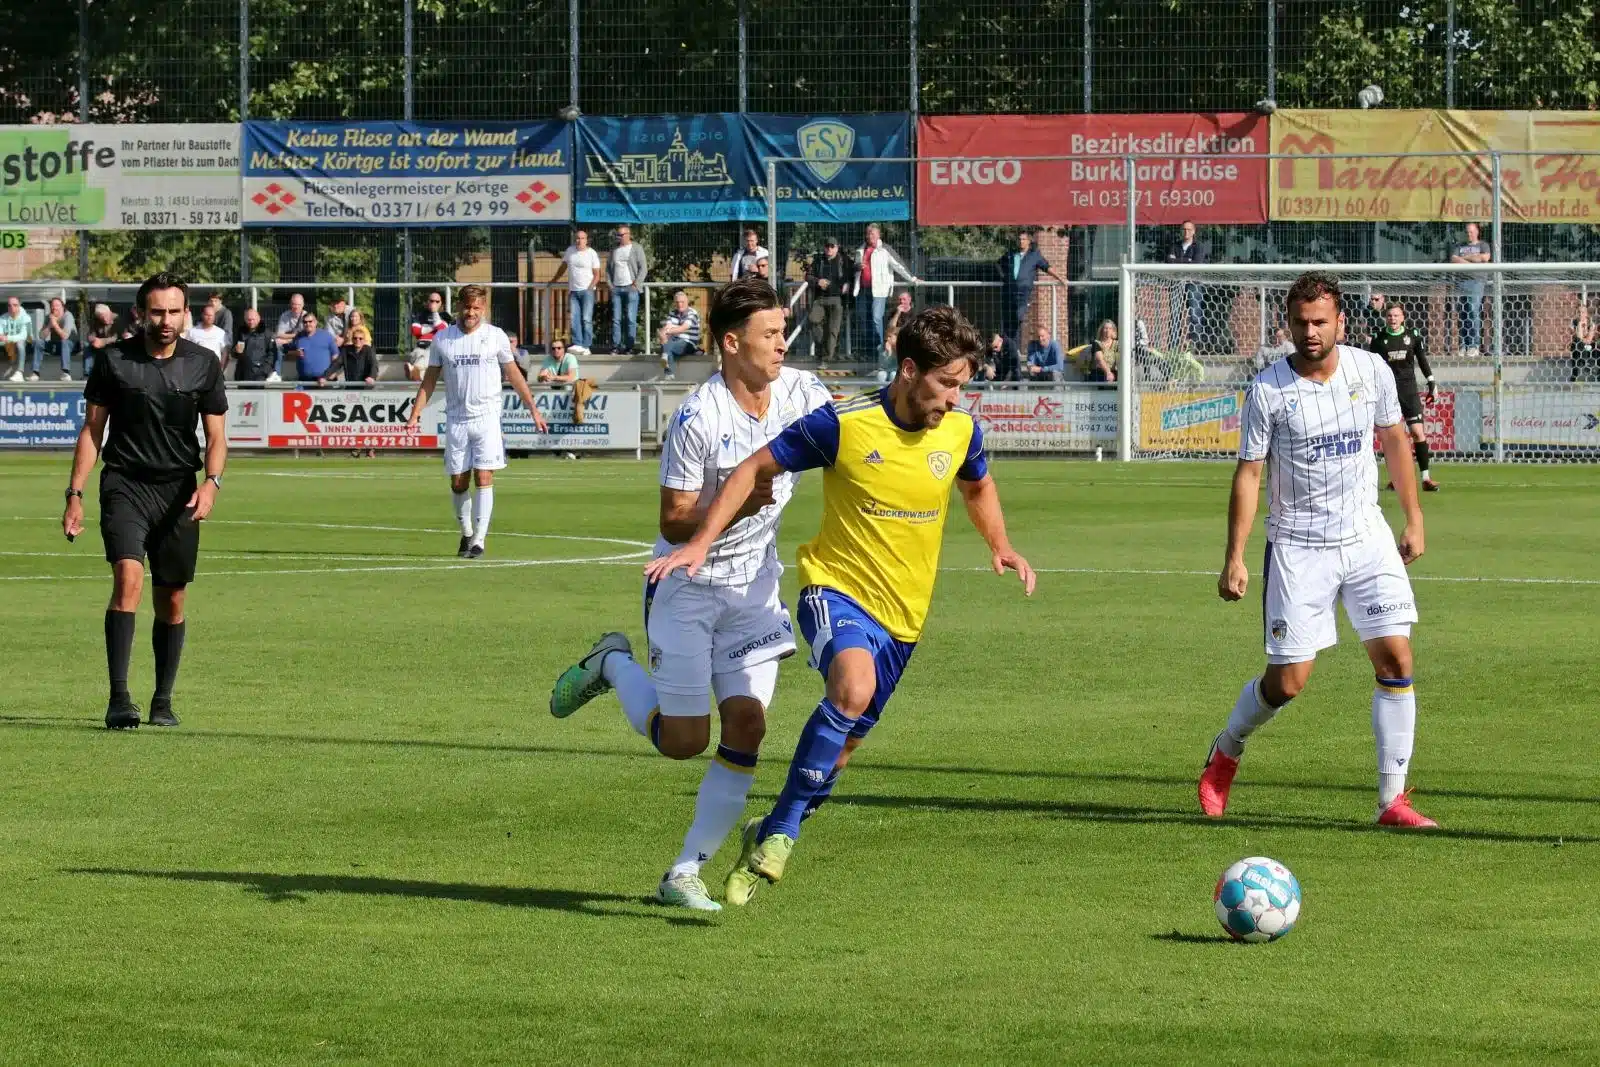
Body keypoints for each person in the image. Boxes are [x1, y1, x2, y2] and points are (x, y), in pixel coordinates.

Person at [647, 305, 1036, 907]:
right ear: (909, 370)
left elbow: (976, 481)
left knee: (843, 748)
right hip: (837, 591)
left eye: (964, 384)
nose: (957, 399)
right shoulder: (842, 425)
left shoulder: (959, 431)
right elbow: (755, 466)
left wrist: (1001, 544)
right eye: (948, 383)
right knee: (849, 691)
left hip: (905, 617)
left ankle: (773, 825)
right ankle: (780, 834)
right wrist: (699, 541)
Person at [547, 277, 833, 912]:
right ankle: (612, 664)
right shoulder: (698, 416)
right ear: (731, 344)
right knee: (684, 741)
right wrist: (732, 503)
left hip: (755, 590)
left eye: (783, 331)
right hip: (687, 588)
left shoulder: (802, 392)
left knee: (748, 725)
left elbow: (853, 429)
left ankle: (684, 872)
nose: (782, 344)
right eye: (769, 334)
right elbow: (675, 519)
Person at [1200, 270, 1436, 831]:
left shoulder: (1370, 369)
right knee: (1288, 682)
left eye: (1320, 321)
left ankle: (1392, 801)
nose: (1310, 332)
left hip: (1365, 536)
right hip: (1299, 546)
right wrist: (1235, 556)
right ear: (1288, 323)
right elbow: (1249, 474)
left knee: (1396, 659)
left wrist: (1414, 518)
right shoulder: (1268, 390)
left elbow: (1395, 440)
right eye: (1301, 322)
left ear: (1340, 322)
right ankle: (1226, 751)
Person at [62, 271, 228, 730]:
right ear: (140, 313)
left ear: (186, 313)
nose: (166, 319)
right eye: (157, 311)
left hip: (179, 491)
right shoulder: (114, 360)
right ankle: (119, 698)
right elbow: (92, 431)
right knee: (128, 578)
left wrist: (211, 483)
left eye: (174, 311)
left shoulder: (203, 363)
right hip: (125, 485)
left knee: (172, 598)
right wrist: (75, 494)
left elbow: (216, 435)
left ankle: (162, 700)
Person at [404, 285, 548, 559]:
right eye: (467, 307)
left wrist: (533, 409)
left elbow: (514, 375)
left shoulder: (495, 337)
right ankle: (467, 532)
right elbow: (430, 380)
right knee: (458, 482)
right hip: (456, 420)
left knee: (484, 475)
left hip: (487, 418)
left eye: (476, 308)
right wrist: (415, 414)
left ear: (484, 309)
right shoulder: (443, 339)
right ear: (459, 306)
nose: (471, 312)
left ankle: (480, 540)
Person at [1369, 302, 1440, 492]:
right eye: (1390, 316)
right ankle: (1396, 478)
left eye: (1396, 316)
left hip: (1409, 390)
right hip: (1388, 392)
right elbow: (1372, 368)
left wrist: (1431, 381)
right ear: (1386, 318)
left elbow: (1422, 359)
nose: (1393, 319)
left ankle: (1426, 478)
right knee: (1395, 438)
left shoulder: (1412, 336)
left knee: (1417, 432)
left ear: (1403, 318)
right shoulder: (1378, 339)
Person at [850, 224, 919, 359]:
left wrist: (913, 278)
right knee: (863, 319)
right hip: (863, 289)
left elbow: (898, 265)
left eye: (873, 234)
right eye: (868, 234)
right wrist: (857, 266)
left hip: (879, 290)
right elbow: (855, 267)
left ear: (879, 235)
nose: (870, 237)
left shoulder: (885, 250)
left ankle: (881, 350)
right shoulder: (860, 249)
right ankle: (868, 351)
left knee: (876, 318)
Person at [996, 230, 1063, 344]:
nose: (1021, 242)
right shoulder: (1011, 254)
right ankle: (1010, 348)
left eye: (1023, 239)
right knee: (1008, 321)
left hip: (1022, 293)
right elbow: (998, 264)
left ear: (1029, 241)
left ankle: (1012, 345)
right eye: (1019, 239)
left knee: (1018, 317)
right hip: (1009, 291)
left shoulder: (1034, 255)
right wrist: (1003, 277)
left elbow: (1046, 267)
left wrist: (1060, 278)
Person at [551, 230, 601, 355]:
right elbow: (563, 267)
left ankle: (586, 346)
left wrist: (590, 288)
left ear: (586, 240)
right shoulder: (570, 251)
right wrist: (554, 280)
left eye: (582, 238)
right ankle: (578, 343)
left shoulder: (592, 253)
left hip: (587, 291)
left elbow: (597, 275)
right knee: (574, 319)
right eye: (577, 238)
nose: (580, 240)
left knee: (586, 319)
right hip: (573, 291)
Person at [805, 237, 853, 363]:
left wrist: (848, 283)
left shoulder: (844, 260)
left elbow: (852, 274)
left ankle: (826, 358)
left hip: (837, 299)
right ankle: (822, 350)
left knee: (833, 330)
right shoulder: (818, 261)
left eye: (832, 247)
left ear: (837, 248)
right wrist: (818, 281)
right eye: (827, 246)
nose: (829, 249)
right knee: (813, 320)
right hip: (820, 298)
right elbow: (808, 276)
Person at [1449, 222, 1492, 357]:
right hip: (1460, 282)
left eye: (1472, 231)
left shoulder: (1483, 245)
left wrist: (1464, 259)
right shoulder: (1459, 246)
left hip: (1476, 281)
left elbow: (1485, 258)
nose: (1469, 234)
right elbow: (1454, 259)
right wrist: (1472, 262)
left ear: (1477, 232)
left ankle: (1474, 346)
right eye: (1467, 232)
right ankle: (1464, 345)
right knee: (1462, 313)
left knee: (1473, 311)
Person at [1165, 221, 1209, 352]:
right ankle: (1173, 347)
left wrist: (1178, 261)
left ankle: (1194, 346)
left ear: (1194, 231)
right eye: (1184, 229)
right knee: (1174, 315)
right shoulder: (1174, 246)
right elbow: (1169, 261)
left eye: (1189, 229)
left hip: (1193, 283)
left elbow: (1197, 263)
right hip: (1176, 282)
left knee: (1195, 313)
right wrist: (1187, 261)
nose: (1186, 232)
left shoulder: (1198, 247)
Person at [608, 225, 648, 354]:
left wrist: (636, 284)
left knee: (630, 318)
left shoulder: (636, 248)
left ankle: (629, 347)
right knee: (616, 319)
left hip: (631, 287)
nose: (619, 237)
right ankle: (616, 346)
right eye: (618, 235)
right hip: (617, 288)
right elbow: (608, 269)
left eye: (621, 235)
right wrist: (610, 285)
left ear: (628, 234)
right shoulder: (614, 250)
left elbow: (643, 268)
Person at [657, 289, 701, 381]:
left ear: (687, 302)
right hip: (674, 341)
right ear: (674, 303)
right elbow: (666, 328)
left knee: (666, 346)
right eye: (677, 302)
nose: (680, 304)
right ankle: (669, 374)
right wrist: (666, 332)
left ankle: (666, 361)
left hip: (688, 342)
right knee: (668, 345)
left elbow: (683, 328)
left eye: (682, 302)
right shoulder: (673, 313)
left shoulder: (692, 313)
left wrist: (668, 331)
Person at [407, 291, 452, 381]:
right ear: (428, 302)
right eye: (431, 301)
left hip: (435, 346)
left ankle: (415, 370)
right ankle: (417, 373)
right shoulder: (421, 315)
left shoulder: (445, 316)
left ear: (441, 303)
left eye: (436, 301)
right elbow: (415, 330)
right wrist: (433, 328)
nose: (433, 303)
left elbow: (443, 329)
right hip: (420, 347)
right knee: (421, 354)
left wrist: (435, 313)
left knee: (430, 354)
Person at [228, 307, 273, 383]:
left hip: (260, 374)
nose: (251, 322)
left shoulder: (266, 333)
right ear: (245, 319)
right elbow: (233, 354)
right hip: (242, 373)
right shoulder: (240, 332)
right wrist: (236, 351)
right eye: (249, 320)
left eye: (253, 319)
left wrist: (264, 370)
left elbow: (272, 354)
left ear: (258, 319)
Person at [38, 297, 78, 381]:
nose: (54, 308)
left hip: (71, 345)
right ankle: (35, 373)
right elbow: (41, 336)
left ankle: (65, 372)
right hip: (56, 345)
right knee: (38, 343)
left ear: (62, 307)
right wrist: (49, 325)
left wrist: (55, 325)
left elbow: (65, 336)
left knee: (64, 342)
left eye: (57, 305)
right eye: (52, 306)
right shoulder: (49, 317)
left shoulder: (68, 316)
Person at [294, 311, 339, 385]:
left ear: (315, 322)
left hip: (324, 380)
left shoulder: (326, 336)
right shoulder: (299, 337)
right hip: (304, 380)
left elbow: (335, 355)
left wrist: (332, 372)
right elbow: (290, 350)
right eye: (305, 322)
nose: (307, 324)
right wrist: (296, 353)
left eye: (310, 321)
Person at [271, 292, 307, 383]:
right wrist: (293, 336)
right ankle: (277, 374)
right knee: (277, 343)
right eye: (294, 304)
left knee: (303, 345)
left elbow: (305, 335)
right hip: (289, 342)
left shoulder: (306, 317)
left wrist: (289, 338)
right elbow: (279, 333)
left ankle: (304, 375)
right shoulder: (285, 315)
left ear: (303, 305)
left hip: (302, 342)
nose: (296, 307)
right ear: (290, 304)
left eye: (298, 305)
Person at [879, 291, 915, 382]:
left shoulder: (914, 314)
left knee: (893, 375)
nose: (901, 302)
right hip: (892, 340)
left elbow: (909, 331)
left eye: (904, 299)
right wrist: (898, 313)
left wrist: (896, 331)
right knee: (881, 375)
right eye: (900, 300)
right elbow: (890, 328)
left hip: (905, 343)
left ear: (909, 300)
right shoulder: (893, 313)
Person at [336, 312, 378, 385]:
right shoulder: (349, 329)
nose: (353, 318)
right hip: (348, 355)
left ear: (360, 318)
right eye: (352, 316)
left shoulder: (363, 329)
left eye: (356, 316)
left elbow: (368, 344)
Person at [2, 295, 35, 381]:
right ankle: (12, 363)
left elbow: (23, 336)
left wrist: (6, 337)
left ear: (19, 305)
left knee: (20, 343)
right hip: (9, 342)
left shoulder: (26, 317)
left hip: (27, 342)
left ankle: (19, 372)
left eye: (15, 305)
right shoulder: (3, 318)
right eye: (9, 305)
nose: (12, 307)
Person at [84, 303, 120, 379]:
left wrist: (102, 341)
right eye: (101, 318)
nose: (104, 319)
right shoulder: (96, 321)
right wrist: (93, 339)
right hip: (99, 345)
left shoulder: (118, 319)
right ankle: (87, 374)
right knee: (87, 348)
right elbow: (90, 335)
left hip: (113, 345)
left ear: (109, 312)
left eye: (106, 316)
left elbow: (115, 338)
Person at [1572, 304, 1599, 383]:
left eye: (1583, 312)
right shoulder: (1574, 322)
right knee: (1577, 343)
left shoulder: (1591, 323)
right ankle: (1584, 363)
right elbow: (1578, 336)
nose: (1581, 314)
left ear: (1586, 314)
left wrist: (1583, 339)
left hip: (1590, 347)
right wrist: (1580, 324)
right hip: (1578, 346)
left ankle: (1577, 371)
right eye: (1579, 312)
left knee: (1579, 344)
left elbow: (1589, 340)